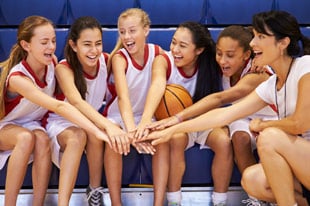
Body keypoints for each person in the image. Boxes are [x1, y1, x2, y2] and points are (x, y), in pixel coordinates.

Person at [141, 10, 310, 206]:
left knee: (270, 137)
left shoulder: (305, 66)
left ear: (283, 43)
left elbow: (299, 124)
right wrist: (172, 129)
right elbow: (224, 114)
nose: (253, 43)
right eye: (254, 36)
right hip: (301, 165)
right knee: (251, 180)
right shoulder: (271, 85)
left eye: (260, 37)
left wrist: (263, 125)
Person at [0, 15, 112, 206]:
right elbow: (59, 105)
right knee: (26, 138)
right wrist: (98, 130)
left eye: (53, 41)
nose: (51, 47)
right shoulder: (18, 78)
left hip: (34, 126)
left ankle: (38, 203)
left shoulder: (51, 62)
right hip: (7, 128)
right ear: (26, 45)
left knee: (41, 139)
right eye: (44, 42)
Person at [136, 21, 223, 206]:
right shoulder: (164, 60)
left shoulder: (212, 64)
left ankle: (220, 201)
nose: (175, 49)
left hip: (203, 122)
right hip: (175, 125)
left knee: (223, 141)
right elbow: (158, 84)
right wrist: (145, 119)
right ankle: (174, 201)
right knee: (175, 139)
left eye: (182, 46)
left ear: (199, 50)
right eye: (173, 42)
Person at [44, 16, 129, 206]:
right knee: (78, 136)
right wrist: (107, 125)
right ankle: (63, 203)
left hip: (91, 120)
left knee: (97, 133)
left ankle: (95, 191)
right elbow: (76, 102)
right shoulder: (63, 68)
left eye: (98, 44)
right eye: (87, 44)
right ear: (74, 45)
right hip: (62, 122)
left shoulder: (106, 61)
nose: (94, 50)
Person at [102, 8, 162, 205]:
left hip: (147, 115)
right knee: (115, 141)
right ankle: (116, 202)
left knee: (161, 139)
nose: (126, 36)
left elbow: (158, 85)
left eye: (132, 30)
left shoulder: (157, 52)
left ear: (146, 30)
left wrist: (144, 124)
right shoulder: (119, 58)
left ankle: (159, 201)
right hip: (120, 116)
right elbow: (123, 99)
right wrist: (131, 131)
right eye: (122, 31)